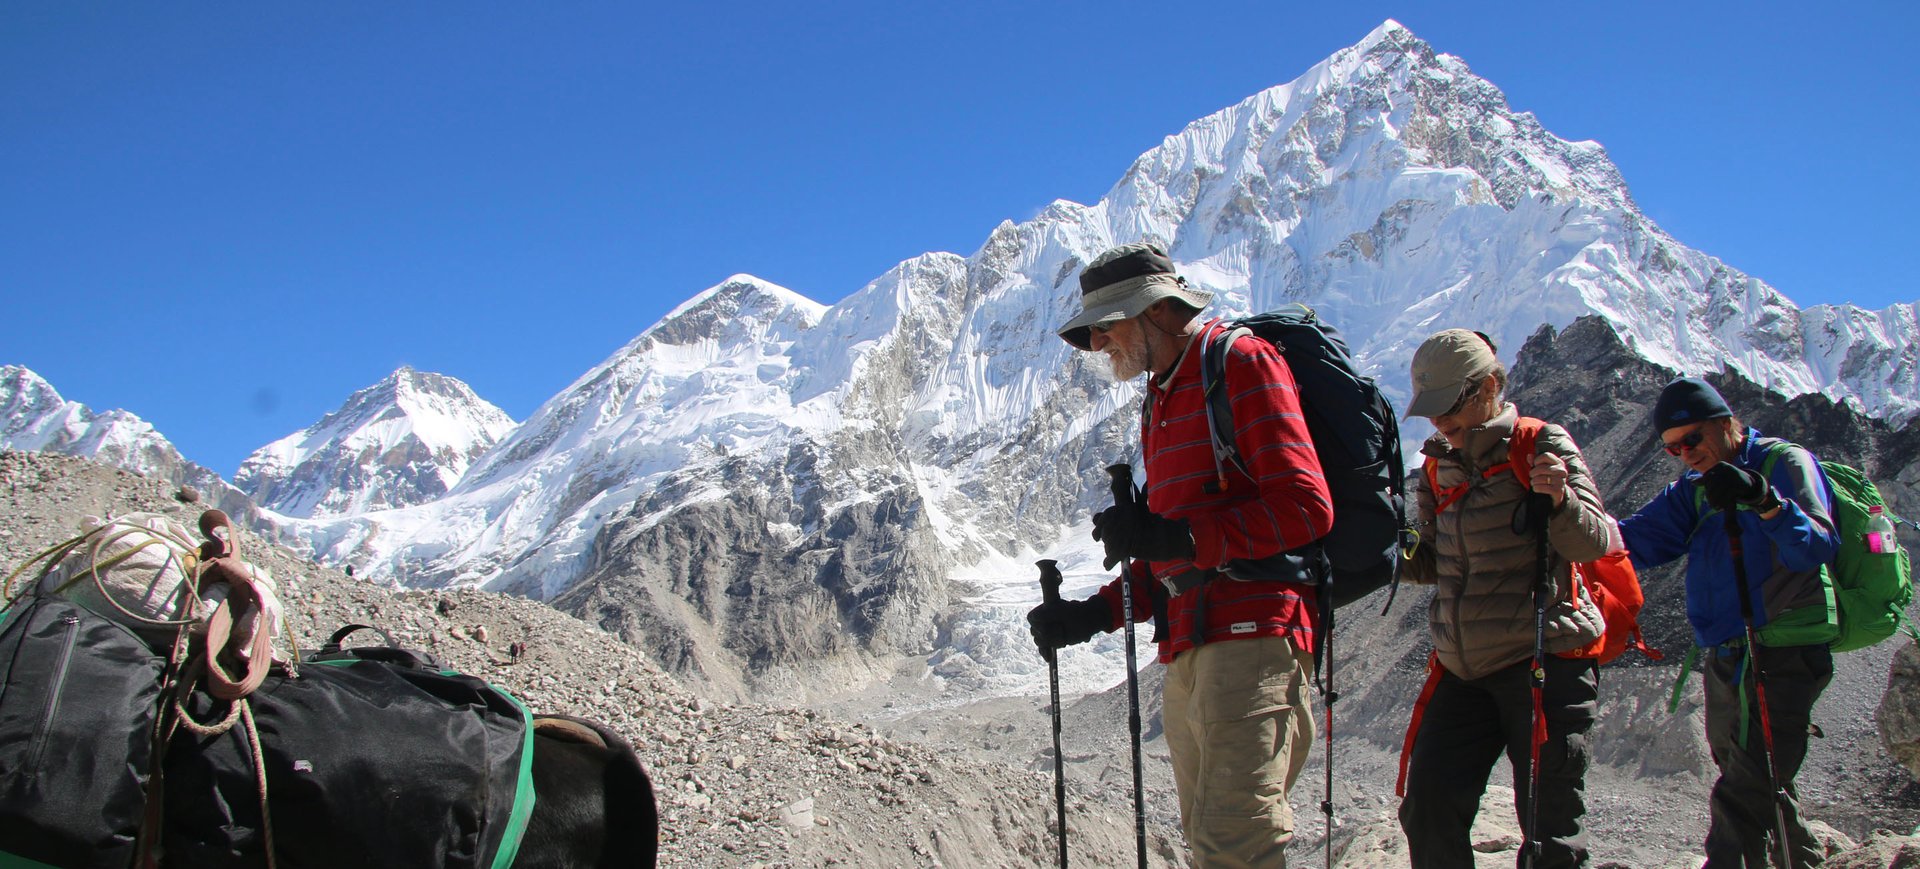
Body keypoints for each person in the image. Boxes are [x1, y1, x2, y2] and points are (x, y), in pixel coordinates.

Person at [1026, 242, 1333, 868]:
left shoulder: (1240, 363)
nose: (1098, 345)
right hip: (1189, 647)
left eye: (1106, 327)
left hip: (1255, 635)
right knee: (1210, 846)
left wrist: (1182, 538)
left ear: (1155, 311)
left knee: (1233, 845)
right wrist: (1094, 614)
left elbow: (1307, 506)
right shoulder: (1160, 398)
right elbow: (1170, 550)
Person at [1394, 329, 1617, 869]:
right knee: (1427, 810)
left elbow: (1596, 543)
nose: (1439, 420)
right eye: (1432, 409)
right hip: (1461, 668)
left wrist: (1559, 500)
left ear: (1490, 385)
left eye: (1450, 405)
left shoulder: (1540, 445)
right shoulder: (1436, 467)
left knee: (1548, 829)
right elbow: (1430, 565)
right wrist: (1389, 541)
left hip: (1542, 660)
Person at [1617, 377, 1837, 869]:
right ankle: (1799, 860)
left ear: (1724, 423)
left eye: (1692, 440)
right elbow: (1633, 541)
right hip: (1726, 650)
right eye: (1673, 449)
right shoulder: (1693, 489)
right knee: (1753, 773)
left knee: (1747, 780)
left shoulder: (1783, 463)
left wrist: (1765, 502)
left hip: (1783, 643)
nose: (1685, 454)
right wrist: (1569, 527)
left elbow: (1817, 545)